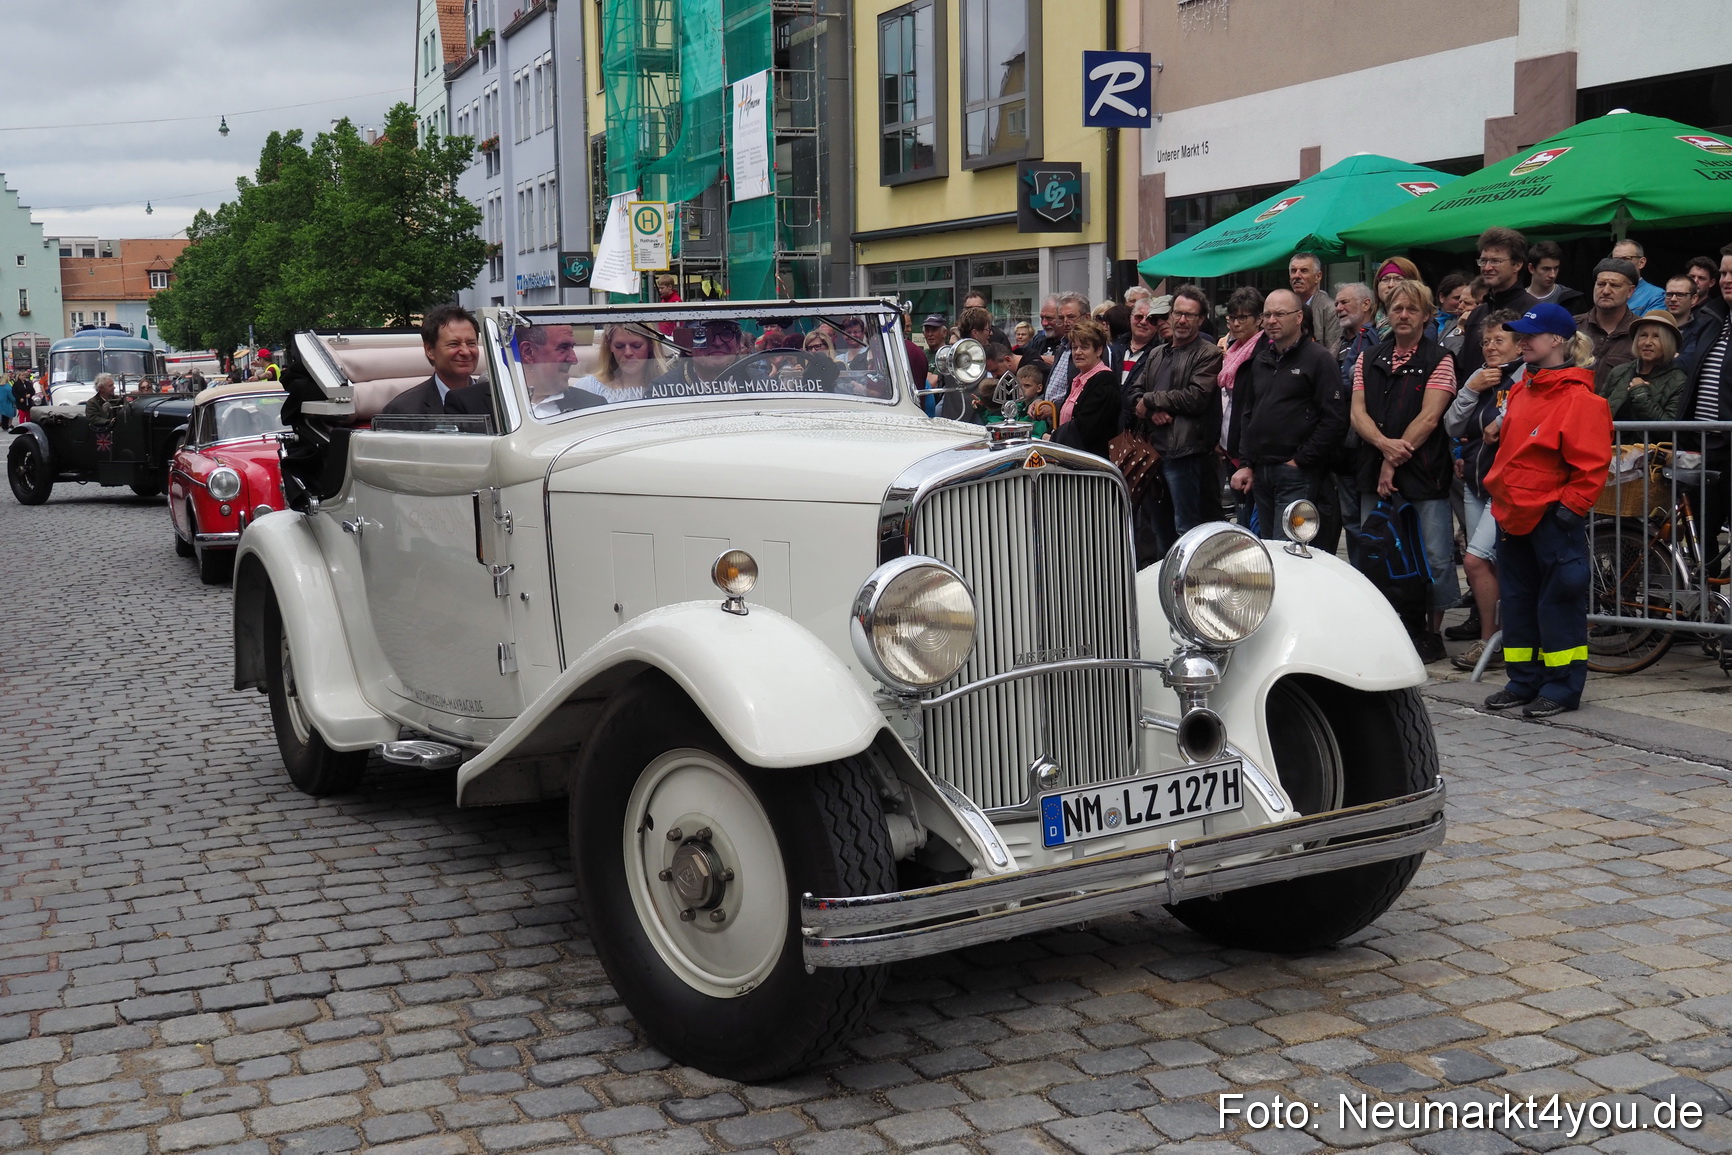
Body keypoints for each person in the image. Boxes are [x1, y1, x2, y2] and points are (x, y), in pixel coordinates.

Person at [1482, 302, 1613, 718]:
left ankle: (1561, 687)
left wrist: (1566, 513)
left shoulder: (1581, 400)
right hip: (1513, 513)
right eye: (1520, 336)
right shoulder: (1523, 388)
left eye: (1529, 336)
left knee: (1558, 604)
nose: (1522, 342)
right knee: (1519, 602)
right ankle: (1524, 681)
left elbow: (1591, 466)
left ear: (1556, 340)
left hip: (1550, 519)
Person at [1350, 279, 1460, 662]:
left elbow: (1430, 417)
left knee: (1434, 556)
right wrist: (1383, 448)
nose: (1403, 315)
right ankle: (1388, 627)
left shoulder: (1441, 358)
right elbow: (1357, 412)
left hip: (1424, 472)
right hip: (1374, 470)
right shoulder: (1370, 357)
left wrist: (1390, 460)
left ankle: (1430, 633)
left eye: (1412, 309)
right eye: (1397, 308)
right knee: (1377, 550)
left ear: (1427, 316)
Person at [1227, 289, 1345, 540]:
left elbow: (1334, 419)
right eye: (1267, 315)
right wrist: (1247, 463)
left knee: (1290, 549)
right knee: (1269, 548)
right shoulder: (1261, 360)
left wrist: (1301, 459)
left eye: (1280, 314)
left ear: (1299, 317)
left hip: (1296, 472)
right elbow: (1249, 415)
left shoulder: (1319, 359)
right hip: (1262, 472)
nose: (1271, 320)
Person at [1444, 310, 1525, 671]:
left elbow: (1520, 419)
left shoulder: (1524, 375)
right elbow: (1452, 425)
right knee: (1483, 562)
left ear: (1518, 344)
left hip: (1504, 485)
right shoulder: (1481, 377)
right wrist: (1468, 389)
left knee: (1476, 560)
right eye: (1486, 342)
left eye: (1498, 341)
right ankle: (1493, 640)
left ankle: (1497, 638)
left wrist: (1500, 420)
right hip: (1474, 481)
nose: (1490, 348)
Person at [1135, 286, 1224, 539]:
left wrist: (1151, 400)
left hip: (1187, 455)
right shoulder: (1156, 353)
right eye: (1178, 313)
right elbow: (1134, 393)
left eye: (1190, 315)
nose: (1182, 320)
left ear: (1201, 319)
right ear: (1170, 315)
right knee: (1160, 530)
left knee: (1188, 531)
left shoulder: (1208, 354)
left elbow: (1195, 397)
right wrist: (1151, 411)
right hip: (1154, 453)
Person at [1676, 244, 1732, 560]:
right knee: (1700, 536)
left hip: (1729, 445)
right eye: (1723, 273)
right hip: (1702, 448)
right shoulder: (1711, 318)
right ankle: (1706, 605)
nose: (1726, 279)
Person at [380, 304, 493, 417]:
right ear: (429, 350)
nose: (466, 352)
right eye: (454, 344)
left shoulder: (497, 399)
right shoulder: (403, 411)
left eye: (471, 343)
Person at [1456, 228, 1538, 381]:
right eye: (1484, 261)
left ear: (1517, 265)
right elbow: (1462, 370)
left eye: (1495, 261)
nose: (1487, 268)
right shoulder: (1476, 314)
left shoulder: (1534, 312)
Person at [1049, 319, 1119, 458]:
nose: (1078, 352)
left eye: (1084, 347)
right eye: (1075, 347)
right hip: (1072, 458)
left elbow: (1086, 427)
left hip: (1092, 464)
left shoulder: (1104, 380)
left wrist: (1053, 437)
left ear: (1099, 350)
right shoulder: (1078, 379)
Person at [1601, 311, 1687, 422]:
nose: (1647, 342)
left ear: (1669, 342)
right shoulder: (1619, 372)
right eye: (1643, 335)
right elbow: (1600, 413)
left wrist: (1641, 395)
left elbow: (1670, 431)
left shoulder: (1678, 380)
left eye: (1656, 336)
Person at [1576, 256, 1638, 393]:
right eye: (1601, 284)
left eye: (1615, 285)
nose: (1605, 291)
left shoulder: (1641, 332)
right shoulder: (1573, 327)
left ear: (1630, 291)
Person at [568, 324, 661, 408]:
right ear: (610, 345)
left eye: (636, 346)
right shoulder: (588, 388)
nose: (628, 353)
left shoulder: (666, 387)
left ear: (650, 345)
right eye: (619, 346)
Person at [1290, 252, 1341, 355]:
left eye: (1304, 271)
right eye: (1293, 271)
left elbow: (1332, 354)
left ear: (1318, 276)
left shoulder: (1331, 310)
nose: (1297, 276)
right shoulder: (1284, 309)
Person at [1041, 293, 1089, 402]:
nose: (1066, 322)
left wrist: (1056, 408)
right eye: (1061, 318)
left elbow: (1085, 395)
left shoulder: (1095, 350)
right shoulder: (1062, 347)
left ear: (1087, 317)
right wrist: (1040, 400)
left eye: (1071, 317)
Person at [1525, 240, 1587, 315]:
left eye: (1556, 268)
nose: (1552, 275)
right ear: (1531, 268)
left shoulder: (1571, 300)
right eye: (1546, 269)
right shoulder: (1518, 300)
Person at [1668, 274, 1716, 364]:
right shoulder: (1654, 324)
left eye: (1680, 295)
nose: (1673, 299)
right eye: (1669, 294)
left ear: (1694, 299)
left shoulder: (1702, 331)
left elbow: (1687, 363)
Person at [1611, 239, 1667, 316]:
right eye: (1616, 260)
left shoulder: (1656, 295)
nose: (1619, 264)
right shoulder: (1606, 292)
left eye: (1626, 259)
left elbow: (1650, 326)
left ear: (1641, 262)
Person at [1433, 272, 1472, 351]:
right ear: (1442, 297)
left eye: (1466, 300)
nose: (1461, 304)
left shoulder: (1469, 323)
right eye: (1457, 298)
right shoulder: (1425, 321)